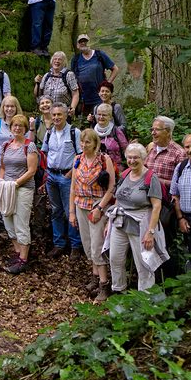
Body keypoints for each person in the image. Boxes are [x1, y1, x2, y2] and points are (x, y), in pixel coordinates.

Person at [105, 143, 169, 294]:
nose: (132, 161)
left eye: (136, 158)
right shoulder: (125, 173)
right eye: (129, 157)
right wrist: (109, 223)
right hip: (120, 222)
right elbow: (118, 199)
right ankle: (119, 291)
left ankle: (145, 298)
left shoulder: (150, 178)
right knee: (115, 258)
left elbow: (156, 206)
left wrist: (150, 232)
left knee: (143, 263)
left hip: (141, 224)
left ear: (143, 158)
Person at [69, 128, 116, 302]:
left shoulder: (104, 160)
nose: (84, 145)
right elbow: (73, 187)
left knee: (98, 245)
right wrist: (72, 213)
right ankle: (95, 277)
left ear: (95, 143)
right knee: (88, 244)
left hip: (97, 205)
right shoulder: (77, 160)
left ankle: (104, 283)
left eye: (88, 141)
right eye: (82, 141)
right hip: (81, 205)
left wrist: (100, 208)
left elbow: (111, 187)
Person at [144, 115, 186, 278]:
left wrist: (156, 180)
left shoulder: (178, 153)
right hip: (147, 204)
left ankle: (168, 282)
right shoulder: (151, 149)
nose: (153, 133)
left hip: (166, 207)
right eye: (152, 129)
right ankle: (151, 279)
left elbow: (181, 184)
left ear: (168, 132)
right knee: (148, 243)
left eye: (157, 130)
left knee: (164, 245)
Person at [41, 102, 83, 259]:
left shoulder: (74, 132)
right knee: (55, 211)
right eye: (54, 115)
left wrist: (71, 173)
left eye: (59, 114)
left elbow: (80, 155)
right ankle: (59, 244)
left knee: (69, 211)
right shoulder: (49, 133)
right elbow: (44, 152)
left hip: (67, 177)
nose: (56, 117)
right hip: (51, 176)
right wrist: (46, 172)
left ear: (66, 115)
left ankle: (75, 246)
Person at [0, 114, 37, 275]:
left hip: (23, 188)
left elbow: (32, 170)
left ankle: (23, 259)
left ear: (25, 129)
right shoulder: (6, 145)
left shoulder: (30, 146)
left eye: (21, 126)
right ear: (10, 128)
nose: (17, 128)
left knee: (21, 222)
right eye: (15, 126)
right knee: (8, 221)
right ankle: (17, 252)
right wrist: (1, 182)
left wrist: (16, 183)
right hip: (7, 188)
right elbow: (3, 167)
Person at [71, 35, 119, 119]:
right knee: (85, 124)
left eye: (85, 41)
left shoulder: (99, 54)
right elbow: (72, 78)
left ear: (89, 42)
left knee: (101, 120)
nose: (83, 43)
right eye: (80, 42)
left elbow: (115, 69)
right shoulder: (76, 59)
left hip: (100, 97)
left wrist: (107, 84)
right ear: (77, 45)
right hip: (83, 99)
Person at [33, 52, 79, 118]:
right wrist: (37, 83)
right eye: (55, 59)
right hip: (47, 113)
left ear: (64, 62)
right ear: (52, 61)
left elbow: (75, 93)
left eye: (60, 59)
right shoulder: (47, 75)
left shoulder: (69, 75)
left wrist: (72, 108)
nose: (57, 61)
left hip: (62, 113)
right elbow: (38, 94)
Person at [94, 103, 128, 174]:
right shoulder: (93, 132)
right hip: (96, 170)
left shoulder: (116, 131)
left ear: (110, 117)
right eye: (99, 114)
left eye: (104, 115)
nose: (101, 117)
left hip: (116, 170)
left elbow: (126, 150)